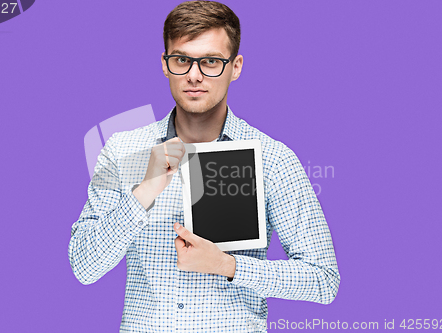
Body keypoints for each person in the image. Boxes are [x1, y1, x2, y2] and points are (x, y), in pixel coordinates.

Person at [68, 1, 340, 332]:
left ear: (235, 66)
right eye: (182, 59)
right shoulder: (122, 150)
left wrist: (228, 265)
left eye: (210, 61)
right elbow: (84, 266)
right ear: (165, 65)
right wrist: (144, 192)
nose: (194, 75)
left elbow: (324, 280)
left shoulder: (273, 159)